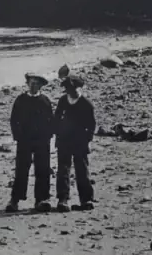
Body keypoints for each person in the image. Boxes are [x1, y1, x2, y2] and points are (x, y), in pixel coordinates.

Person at [6, 73, 55, 213]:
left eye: (37, 84)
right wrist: (17, 136)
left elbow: (50, 120)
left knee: (43, 169)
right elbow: (13, 119)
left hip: (41, 141)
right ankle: (15, 200)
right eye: (31, 83)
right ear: (27, 84)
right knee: (21, 169)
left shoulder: (45, 101)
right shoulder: (20, 100)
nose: (34, 86)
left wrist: (48, 136)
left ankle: (41, 199)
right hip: (24, 140)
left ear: (41, 86)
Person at [54, 75, 96, 213]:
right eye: (67, 89)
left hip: (80, 142)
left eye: (73, 88)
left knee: (82, 170)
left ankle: (86, 199)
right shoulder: (62, 101)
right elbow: (56, 119)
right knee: (63, 171)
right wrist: (58, 134)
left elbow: (91, 125)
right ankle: (63, 199)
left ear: (80, 88)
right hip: (64, 141)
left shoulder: (86, 104)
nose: (70, 91)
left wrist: (88, 140)